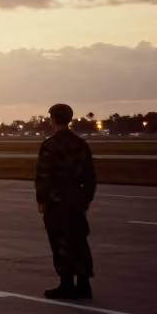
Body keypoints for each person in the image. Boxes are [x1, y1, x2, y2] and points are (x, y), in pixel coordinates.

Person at [37, 103, 96, 300]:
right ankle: (84, 283)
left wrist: (42, 200)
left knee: (61, 241)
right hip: (77, 198)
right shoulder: (81, 144)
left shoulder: (50, 145)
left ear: (53, 118)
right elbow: (90, 175)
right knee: (79, 240)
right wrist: (86, 198)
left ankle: (67, 283)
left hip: (57, 199)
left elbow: (44, 176)